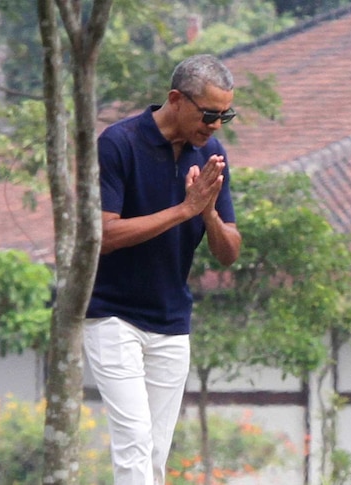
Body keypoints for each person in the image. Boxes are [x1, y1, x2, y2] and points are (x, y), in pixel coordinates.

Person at [84, 54, 242, 485]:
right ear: (176, 100)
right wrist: (184, 209)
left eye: (224, 114)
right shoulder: (119, 143)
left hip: (172, 319)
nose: (216, 125)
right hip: (113, 315)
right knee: (133, 439)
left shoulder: (211, 153)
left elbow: (229, 250)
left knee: (156, 449)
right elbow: (105, 235)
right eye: (209, 114)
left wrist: (207, 213)